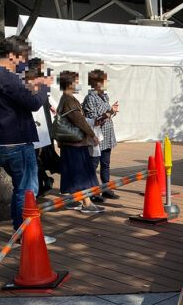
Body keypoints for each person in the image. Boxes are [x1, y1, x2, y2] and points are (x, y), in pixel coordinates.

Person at [0, 36, 51, 232]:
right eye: (23, 59)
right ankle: (26, 234)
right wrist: (44, 85)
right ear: (12, 56)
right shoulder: (5, 76)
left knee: (21, 189)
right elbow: (33, 102)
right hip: (17, 142)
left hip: (2, 143)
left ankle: (19, 231)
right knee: (28, 191)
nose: (24, 63)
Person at [56, 71, 103, 214]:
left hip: (68, 143)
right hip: (76, 143)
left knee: (72, 173)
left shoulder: (65, 99)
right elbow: (79, 120)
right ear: (70, 83)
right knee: (82, 174)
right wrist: (92, 135)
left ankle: (73, 200)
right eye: (76, 81)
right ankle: (87, 204)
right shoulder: (69, 100)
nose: (78, 84)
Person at [82, 69, 119, 200]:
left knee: (106, 163)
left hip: (107, 135)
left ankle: (106, 188)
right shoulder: (90, 98)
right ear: (96, 83)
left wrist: (111, 111)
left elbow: (105, 115)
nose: (106, 83)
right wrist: (110, 112)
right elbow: (93, 120)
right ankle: (91, 192)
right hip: (98, 136)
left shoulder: (104, 96)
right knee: (93, 165)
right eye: (104, 80)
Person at [25, 58, 58, 198]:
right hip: (37, 123)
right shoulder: (32, 83)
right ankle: (42, 181)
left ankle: (41, 182)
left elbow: (43, 100)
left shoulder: (37, 83)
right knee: (37, 155)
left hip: (42, 125)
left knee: (37, 156)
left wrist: (50, 106)